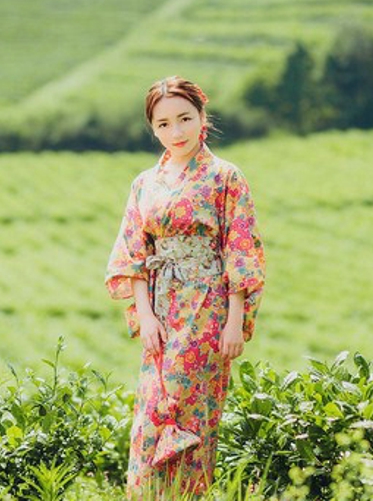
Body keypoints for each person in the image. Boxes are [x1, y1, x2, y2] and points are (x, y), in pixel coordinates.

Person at [106, 76, 266, 498]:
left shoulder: (225, 177)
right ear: (153, 128)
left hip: (206, 308)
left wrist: (235, 322)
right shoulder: (144, 183)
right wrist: (144, 314)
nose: (175, 133)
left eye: (183, 119)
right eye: (162, 124)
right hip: (160, 308)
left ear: (201, 118)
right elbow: (133, 252)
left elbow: (241, 249)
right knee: (150, 412)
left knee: (191, 411)